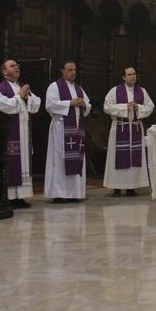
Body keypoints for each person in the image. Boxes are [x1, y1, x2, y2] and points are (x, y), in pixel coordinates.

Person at [0, 59, 41, 209]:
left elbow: (37, 104)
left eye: (17, 65)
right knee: (10, 163)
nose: (16, 67)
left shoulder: (23, 87)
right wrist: (19, 97)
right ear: (4, 71)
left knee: (23, 163)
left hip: (24, 132)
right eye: (12, 66)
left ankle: (20, 197)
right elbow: (3, 105)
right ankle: (6, 197)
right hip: (9, 133)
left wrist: (27, 98)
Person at [102, 66, 154, 197]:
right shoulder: (114, 91)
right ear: (124, 77)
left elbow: (150, 107)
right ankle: (116, 187)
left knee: (134, 158)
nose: (132, 76)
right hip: (120, 127)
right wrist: (125, 107)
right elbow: (107, 107)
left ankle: (132, 187)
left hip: (135, 127)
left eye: (134, 74)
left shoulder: (142, 91)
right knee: (117, 157)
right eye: (129, 74)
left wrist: (138, 107)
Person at [45, 60, 91, 203]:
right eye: (70, 70)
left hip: (76, 129)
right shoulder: (55, 86)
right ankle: (60, 194)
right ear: (63, 71)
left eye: (74, 70)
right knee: (60, 160)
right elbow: (50, 105)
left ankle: (74, 193)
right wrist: (70, 103)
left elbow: (88, 105)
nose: (73, 73)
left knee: (76, 159)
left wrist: (83, 104)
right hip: (61, 129)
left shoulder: (78, 88)